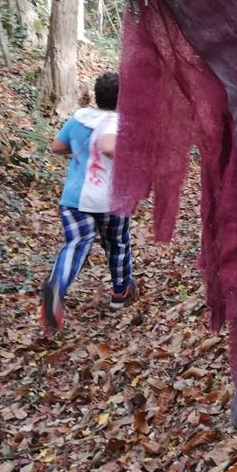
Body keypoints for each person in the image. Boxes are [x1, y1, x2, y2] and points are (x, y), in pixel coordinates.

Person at [40, 71, 136, 330]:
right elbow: (109, 147)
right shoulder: (119, 122)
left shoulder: (79, 117)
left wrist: (80, 148)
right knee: (117, 242)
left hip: (73, 199)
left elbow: (57, 147)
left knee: (75, 243)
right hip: (111, 199)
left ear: (96, 95)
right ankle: (120, 292)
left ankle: (57, 286)